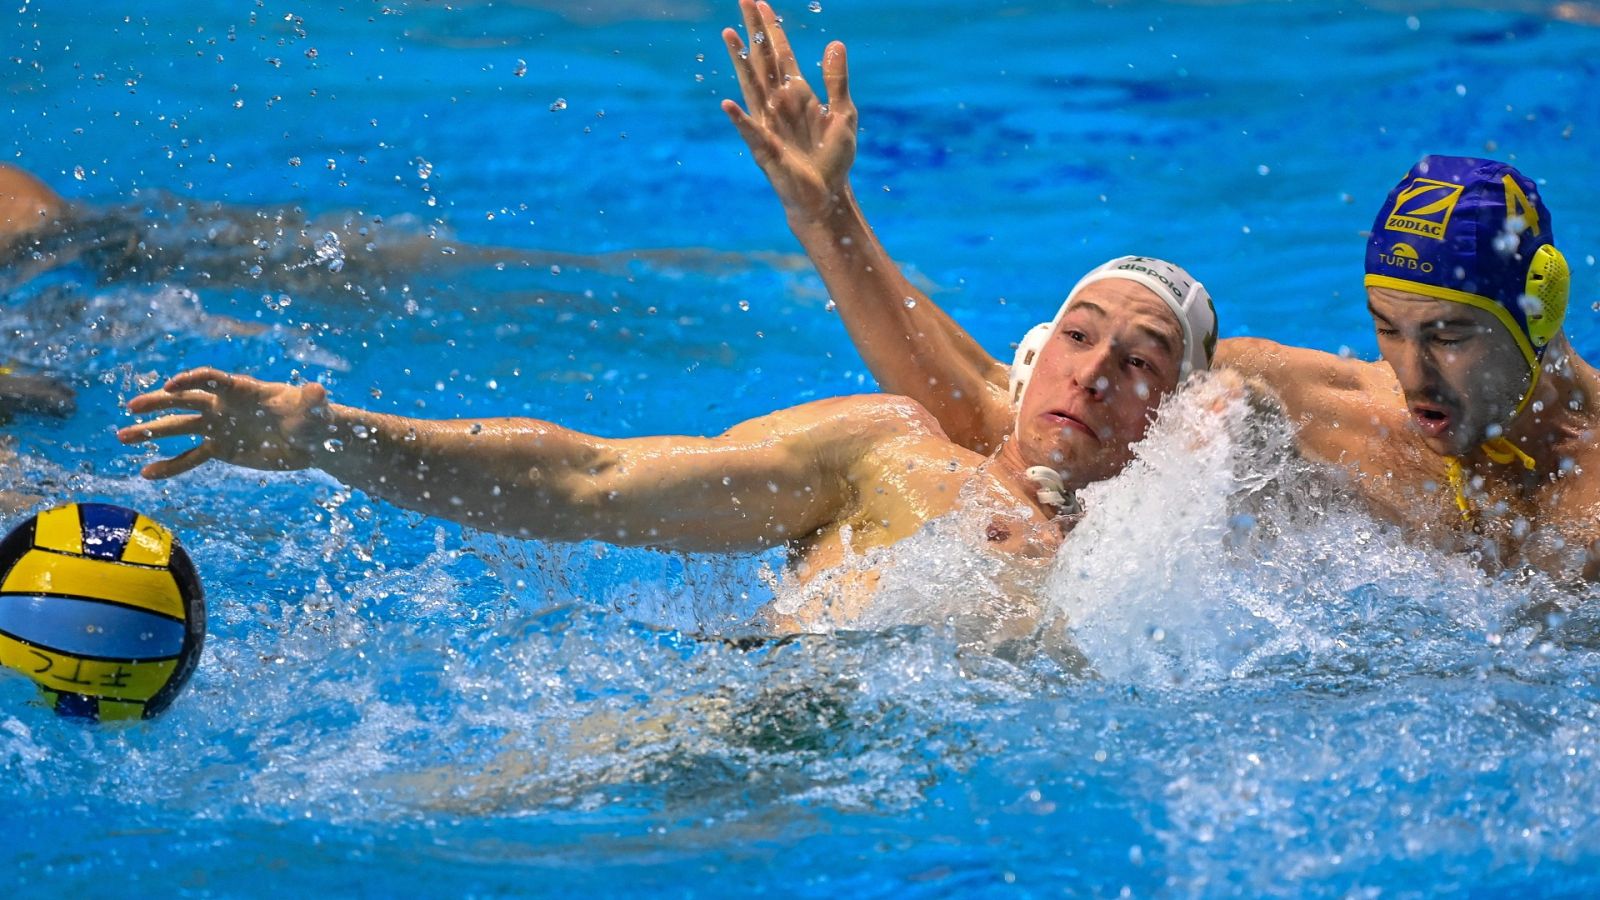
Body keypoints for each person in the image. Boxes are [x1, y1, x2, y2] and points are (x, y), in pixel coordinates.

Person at [719, 1, 1599, 582]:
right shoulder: (1306, 409)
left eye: (1446, 335)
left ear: (1540, 309)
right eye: (1387, 330)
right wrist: (828, 217)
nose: (1412, 375)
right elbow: (1011, 409)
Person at [117, 249, 1220, 634]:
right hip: (727, 739)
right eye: (1079, 335)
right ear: (1027, 363)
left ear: (1173, 421)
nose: (1094, 371)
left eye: (1140, 362)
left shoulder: (1157, 580)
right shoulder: (888, 454)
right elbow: (589, 480)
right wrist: (330, 435)